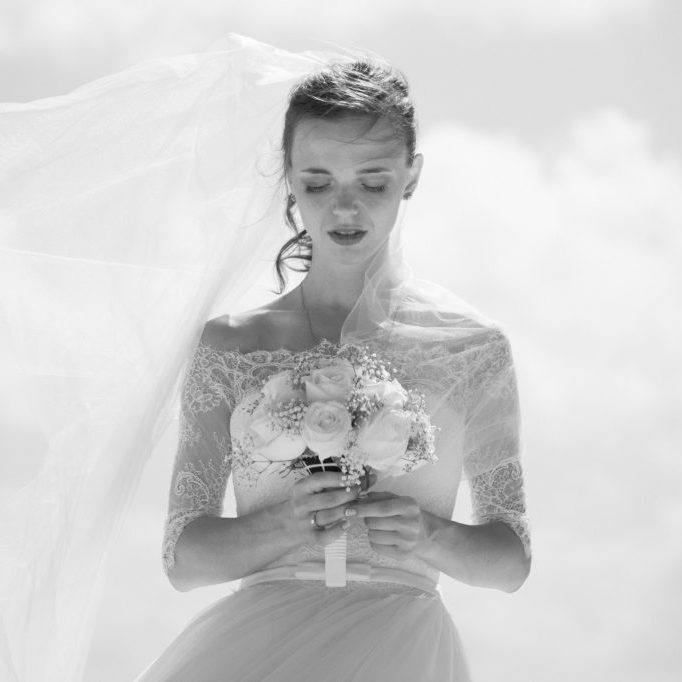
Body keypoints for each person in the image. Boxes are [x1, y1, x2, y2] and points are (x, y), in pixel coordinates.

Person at [132, 56, 532, 682]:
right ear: (288, 178)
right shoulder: (230, 347)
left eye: (372, 182)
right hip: (254, 652)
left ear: (412, 176)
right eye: (318, 183)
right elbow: (184, 561)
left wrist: (428, 535)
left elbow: (510, 562)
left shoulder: (471, 349)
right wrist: (284, 523)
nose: (345, 208)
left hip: (402, 651)